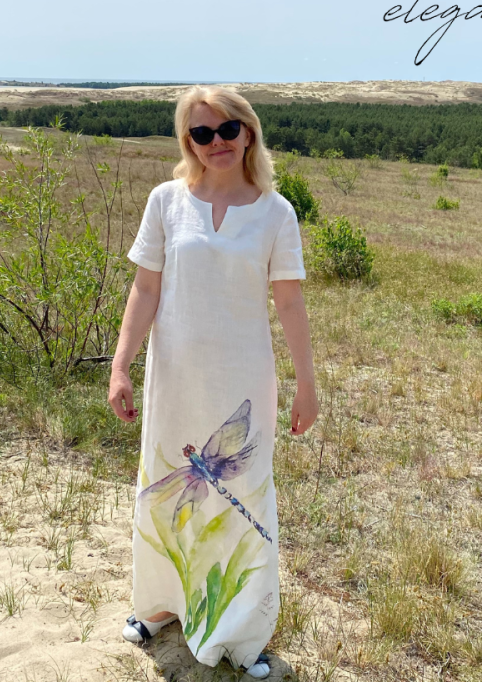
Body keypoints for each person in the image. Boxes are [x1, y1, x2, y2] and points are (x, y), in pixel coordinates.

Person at [109, 86, 319, 679]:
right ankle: (158, 608)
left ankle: (238, 636)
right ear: (187, 143)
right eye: (200, 134)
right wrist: (121, 364)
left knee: (244, 501)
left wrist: (308, 384)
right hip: (174, 379)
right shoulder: (165, 202)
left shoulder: (277, 212)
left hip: (242, 382)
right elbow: (145, 289)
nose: (216, 143)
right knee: (165, 496)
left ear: (248, 132)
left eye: (227, 129)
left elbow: (291, 303)